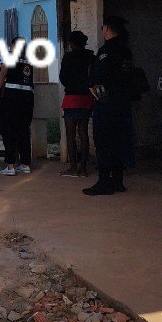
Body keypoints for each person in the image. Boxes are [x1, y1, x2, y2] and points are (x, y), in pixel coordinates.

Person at [83, 17, 133, 196]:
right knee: (118, 141)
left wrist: (92, 85)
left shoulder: (107, 50)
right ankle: (118, 181)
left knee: (103, 142)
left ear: (107, 29)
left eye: (103, 27)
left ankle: (104, 182)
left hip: (106, 103)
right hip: (122, 103)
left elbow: (97, 76)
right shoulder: (126, 51)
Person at [59, 30, 95, 177]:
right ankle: (84, 169)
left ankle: (73, 167)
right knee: (84, 134)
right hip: (86, 97)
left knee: (70, 134)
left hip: (72, 97)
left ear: (71, 43)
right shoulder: (91, 57)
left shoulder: (68, 57)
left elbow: (63, 78)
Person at [0, 37, 35, 177]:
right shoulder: (29, 58)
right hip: (27, 98)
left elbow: (2, 75)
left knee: (9, 130)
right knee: (24, 130)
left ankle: (10, 165)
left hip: (11, 98)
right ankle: (25, 164)